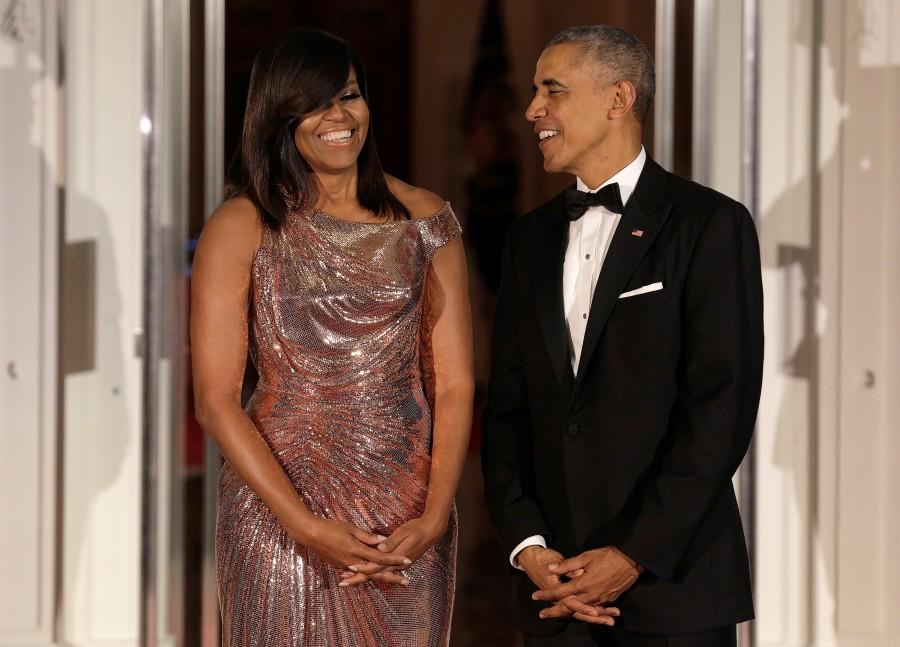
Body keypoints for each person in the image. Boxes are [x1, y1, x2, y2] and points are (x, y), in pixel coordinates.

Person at [482, 25, 763, 646]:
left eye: (551, 90)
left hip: (675, 587)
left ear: (619, 98)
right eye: (534, 92)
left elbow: (721, 407)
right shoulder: (527, 240)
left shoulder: (710, 224)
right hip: (554, 593)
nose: (532, 110)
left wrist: (633, 553)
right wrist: (529, 547)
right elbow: (506, 409)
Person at [191, 29, 473, 646]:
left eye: (348, 95)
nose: (338, 117)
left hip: (403, 515)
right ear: (279, 117)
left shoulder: (426, 219)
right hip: (278, 513)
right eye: (315, 103)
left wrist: (432, 516)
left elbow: (453, 383)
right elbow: (214, 399)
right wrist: (305, 525)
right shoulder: (243, 224)